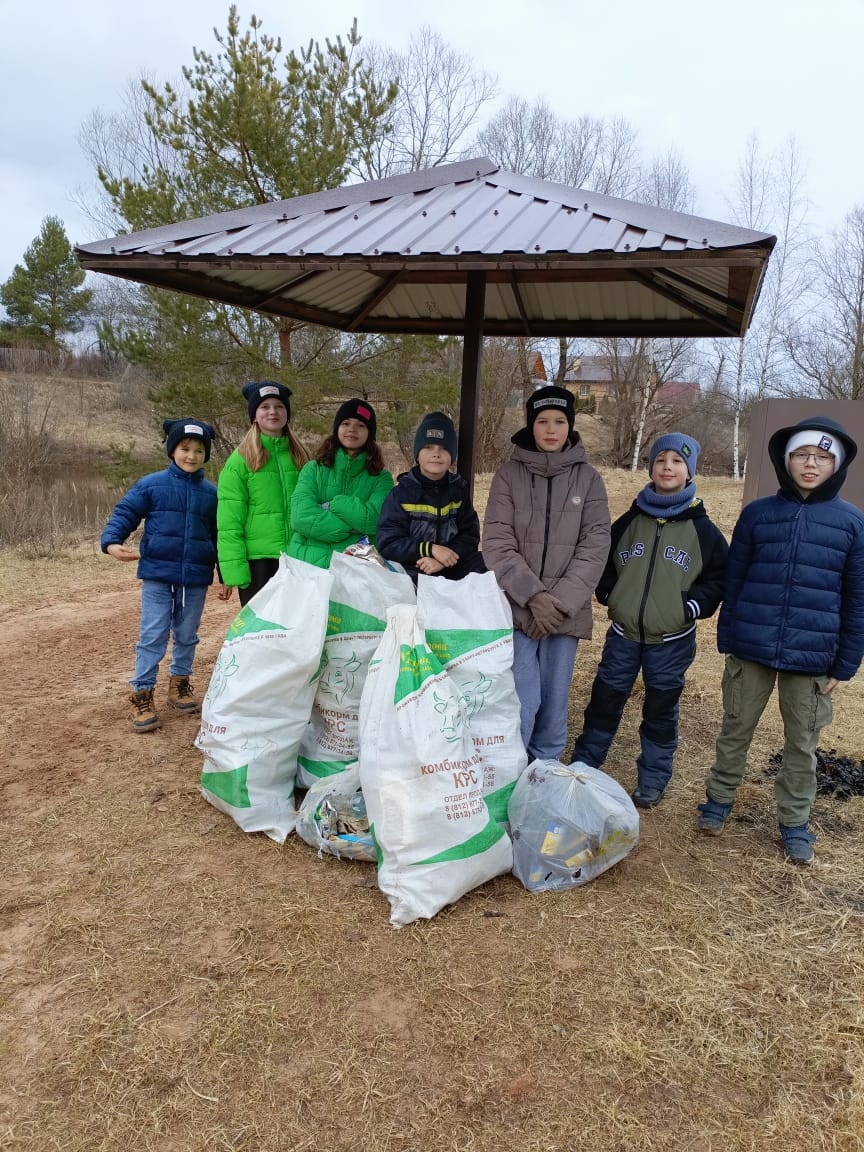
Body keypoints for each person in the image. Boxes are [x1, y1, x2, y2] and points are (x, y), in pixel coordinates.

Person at [697, 416, 864, 864]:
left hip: (813, 658)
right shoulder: (757, 514)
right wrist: (728, 638)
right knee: (735, 730)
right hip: (750, 647)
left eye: (822, 456)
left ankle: (794, 823)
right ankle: (717, 802)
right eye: (802, 455)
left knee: (802, 745)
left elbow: (857, 597)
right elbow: (734, 581)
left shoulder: (852, 523)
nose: (811, 464)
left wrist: (844, 664)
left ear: (837, 464)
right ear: (786, 460)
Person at [570, 433, 728, 809]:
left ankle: (653, 778)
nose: (668, 467)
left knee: (660, 709)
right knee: (605, 700)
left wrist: (690, 607)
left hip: (672, 640)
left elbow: (719, 578)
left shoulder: (703, 531)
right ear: (651, 468)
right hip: (623, 635)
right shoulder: (629, 521)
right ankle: (585, 764)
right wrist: (609, 593)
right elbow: (603, 560)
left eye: (677, 462)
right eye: (661, 460)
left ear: (689, 473)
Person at [483, 386, 611, 762]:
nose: (551, 429)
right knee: (521, 696)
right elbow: (496, 542)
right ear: (530, 425)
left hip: (564, 615)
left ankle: (546, 772)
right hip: (518, 611)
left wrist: (556, 606)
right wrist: (533, 600)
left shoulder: (589, 480)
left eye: (559, 421)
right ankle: (513, 770)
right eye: (542, 421)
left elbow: (595, 545)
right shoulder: (508, 476)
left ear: (570, 426)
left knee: (555, 699)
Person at [101, 419, 229, 734]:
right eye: (185, 448)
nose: (191, 456)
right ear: (173, 450)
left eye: (199, 450)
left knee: (187, 633)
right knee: (153, 635)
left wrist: (224, 573)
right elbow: (125, 512)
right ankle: (142, 693)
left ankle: (180, 683)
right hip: (158, 575)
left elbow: (221, 536)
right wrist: (112, 541)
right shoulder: (152, 484)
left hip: (196, 577)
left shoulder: (212, 494)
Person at [217, 381, 310, 605]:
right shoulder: (239, 461)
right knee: (262, 636)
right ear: (254, 415)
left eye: (279, 406)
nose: (273, 412)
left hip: (300, 557)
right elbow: (229, 522)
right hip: (259, 563)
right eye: (265, 406)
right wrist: (234, 572)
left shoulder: (302, 457)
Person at [376, 411, 486, 582]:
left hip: (450, 563)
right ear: (417, 454)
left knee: (486, 562)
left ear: (452, 456)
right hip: (413, 568)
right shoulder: (401, 494)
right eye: (428, 447)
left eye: (443, 448)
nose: (436, 454)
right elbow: (388, 543)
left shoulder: (458, 490)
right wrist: (430, 550)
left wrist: (443, 560)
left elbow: (469, 536)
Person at [287, 399, 393, 568]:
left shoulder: (381, 478)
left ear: (369, 433)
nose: (352, 429)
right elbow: (300, 517)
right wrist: (351, 528)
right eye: (346, 423)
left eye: (361, 425)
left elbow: (376, 520)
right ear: (337, 428)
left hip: (355, 568)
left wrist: (334, 504)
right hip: (308, 566)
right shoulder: (313, 469)